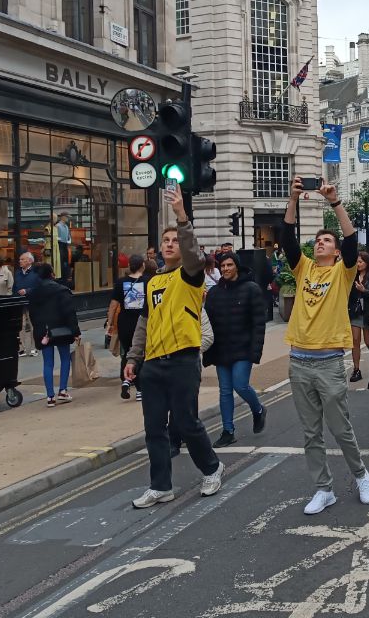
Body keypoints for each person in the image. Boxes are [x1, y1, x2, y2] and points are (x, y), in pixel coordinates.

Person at [280, 176, 369, 516]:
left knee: (340, 428)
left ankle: (361, 475)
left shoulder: (342, 272)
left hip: (328, 362)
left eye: (326, 240)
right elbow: (287, 239)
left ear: (335, 251)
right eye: (318, 240)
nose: (320, 243)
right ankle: (324, 489)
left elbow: (351, 240)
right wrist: (293, 199)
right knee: (311, 433)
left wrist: (334, 202)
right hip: (299, 361)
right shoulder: (303, 268)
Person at [123, 189, 224, 509]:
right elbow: (143, 323)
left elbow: (195, 255)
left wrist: (182, 216)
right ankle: (160, 486)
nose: (169, 244)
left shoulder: (190, 275)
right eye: (165, 241)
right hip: (153, 363)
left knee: (185, 422)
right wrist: (133, 358)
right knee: (154, 428)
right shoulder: (151, 282)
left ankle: (212, 467)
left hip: (183, 360)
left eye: (174, 240)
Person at [204, 251, 267, 447]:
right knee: (224, 391)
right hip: (221, 348)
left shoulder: (251, 289)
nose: (225, 269)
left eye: (229, 265)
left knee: (240, 385)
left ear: (237, 267)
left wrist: (256, 351)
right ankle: (228, 431)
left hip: (243, 347)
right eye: (222, 266)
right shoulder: (214, 293)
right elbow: (208, 323)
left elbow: (259, 323)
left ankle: (258, 409)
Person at [27, 264, 79, 408]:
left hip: (44, 330)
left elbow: (32, 314)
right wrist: (75, 331)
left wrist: (39, 329)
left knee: (48, 363)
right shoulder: (61, 290)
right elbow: (69, 312)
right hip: (61, 329)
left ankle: (50, 396)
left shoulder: (33, 293)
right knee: (65, 358)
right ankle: (62, 390)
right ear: (51, 274)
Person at [107, 254, 147, 401]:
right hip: (141, 322)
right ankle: (140, 389)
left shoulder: (120, 282)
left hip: (124, 323)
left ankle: (126, 380)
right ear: (142, 265)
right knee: (140, 354)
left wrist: (110, 322)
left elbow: (113, 305)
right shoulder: (147, 281)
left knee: (127, 353)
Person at [348, 252, 369, 383]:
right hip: (355, 313)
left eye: (360, 262)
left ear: (367, 262)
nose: (358, 264)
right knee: (355, 341)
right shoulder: (351, 276)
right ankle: (356, 370)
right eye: (356, 262)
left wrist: (364, 290)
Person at [14, 251, 40, 357]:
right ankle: (22, 349)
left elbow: (39, 287)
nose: (20, 261)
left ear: (29, 261)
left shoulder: (36, 273)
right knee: (21, 326)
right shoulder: (17, 273)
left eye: (22, 259)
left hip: (32, 302)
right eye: (20, 259)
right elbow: (14, 287)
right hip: (20, 302)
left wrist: (27, 291)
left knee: (33, 325)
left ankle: (34, 348)